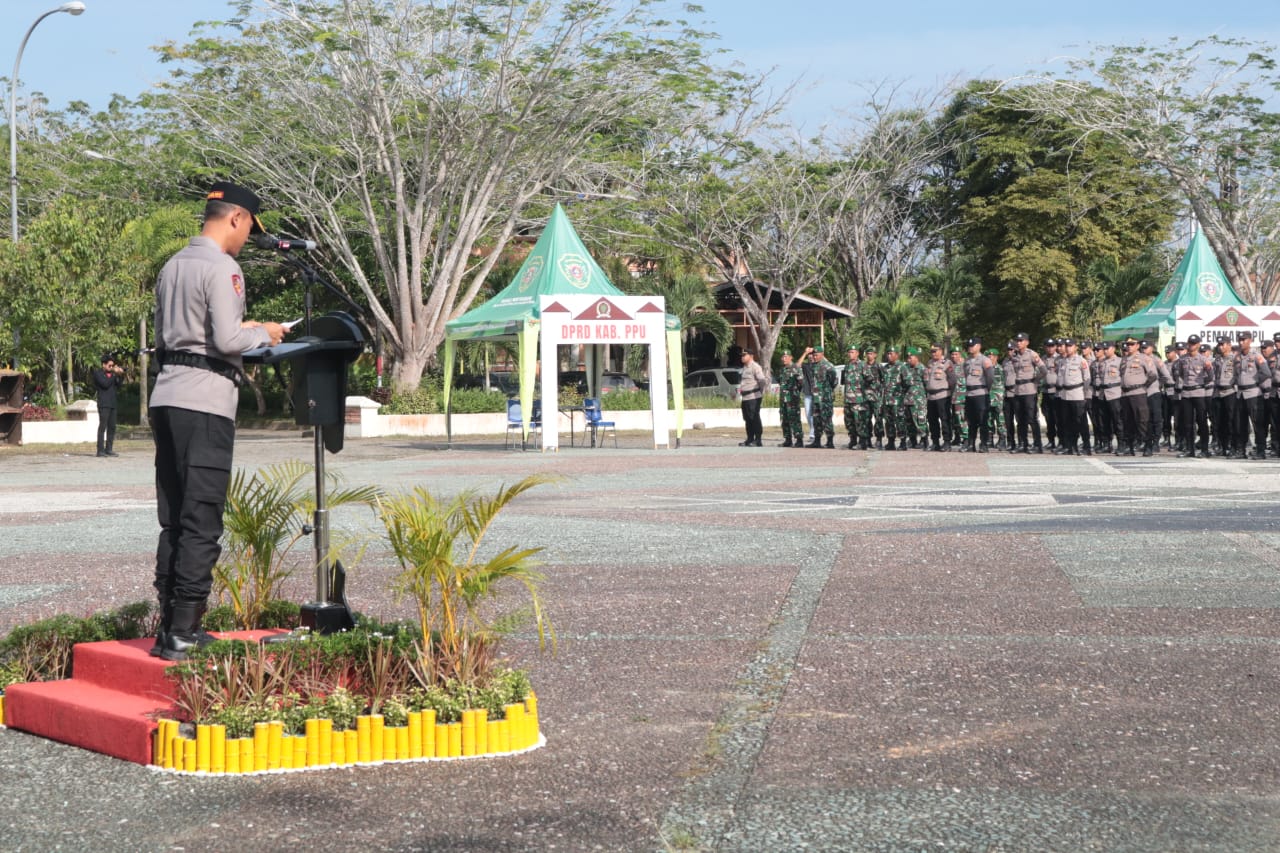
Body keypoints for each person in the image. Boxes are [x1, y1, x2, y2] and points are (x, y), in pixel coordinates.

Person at [149, 181, 286, 661]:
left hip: (166, 394)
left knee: (175, 518)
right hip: (204, 401)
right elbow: (227, 340)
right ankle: (185, 631)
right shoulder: (224, 268)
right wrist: (263, 332)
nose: (248, 237)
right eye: (249, 226)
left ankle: (168, 625)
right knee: (202, 518)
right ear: (236, 218)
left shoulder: (174, 265)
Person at [92, 353, 125, 457]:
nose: (111, 368)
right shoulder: (98, 374)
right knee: (103, 426)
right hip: (104, 404)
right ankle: (100, 450)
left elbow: (119, 385)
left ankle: (109, 449)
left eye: (112, 366)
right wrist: (114, 374)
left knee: (112, 427)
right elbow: (105, 384)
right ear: (103, 365)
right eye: (109, 366)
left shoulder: (113, 375)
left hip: (113, 403)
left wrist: (121, 375)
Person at [922, 344, 954, 451]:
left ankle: (947, 442)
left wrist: (951, 394)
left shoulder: (947, 363)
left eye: (935, 351)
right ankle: (935, 442)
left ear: (941, 351)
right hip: (931, 396)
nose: (933, 353)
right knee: (932, 420)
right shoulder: (930, 363)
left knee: (945, 419)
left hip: (943, 395)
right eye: (932, 351)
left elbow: (952, 380)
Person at [808, 346, 837, 448]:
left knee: (827, 419)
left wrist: (827, 391)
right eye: (814, 355)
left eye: (816, 355)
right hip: (815, 398)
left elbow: (834, 381)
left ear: (822, 354)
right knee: (816, 420)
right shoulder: (813, 366)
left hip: (825, 398)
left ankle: (830, 441)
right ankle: (817, 441)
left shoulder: (828, 366)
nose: (815, 357)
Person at [777, 349, 806, 448]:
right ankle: (787, 439)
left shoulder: (795, 368)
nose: (784, 359)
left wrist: (795, 392)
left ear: (791, 357)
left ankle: (799, 439)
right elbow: (780, 382)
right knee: (784, 419)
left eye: (786, 357)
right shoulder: (782, 370)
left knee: (794, 419)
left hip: (792, 399)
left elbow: (801, 382)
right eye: (783, 357)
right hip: (783, 399)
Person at [738, 349, 767, 447]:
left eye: (744, 355)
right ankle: (750, 438)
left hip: (753, 397)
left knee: (754, 418)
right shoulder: (745, 367)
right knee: (747, 418)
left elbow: (762, 381)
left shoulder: (755, 367)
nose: (742, 357)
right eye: (741, 355)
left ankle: (758, 440)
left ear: (751, 356)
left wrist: (760, 392)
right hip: (745, 397)